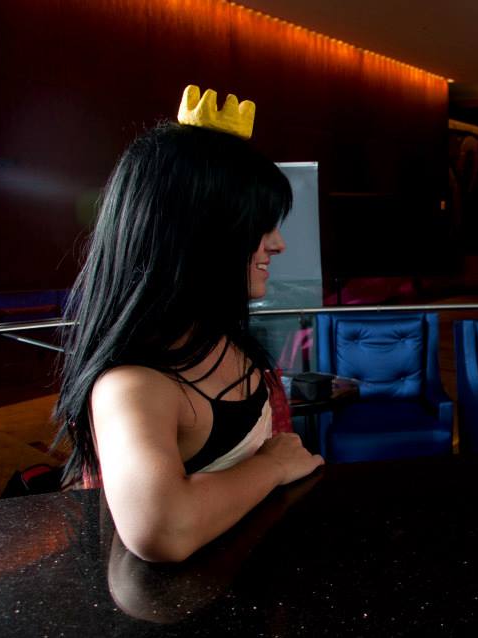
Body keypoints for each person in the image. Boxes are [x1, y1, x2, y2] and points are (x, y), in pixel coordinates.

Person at [54, 86, 324, 562]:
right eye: (259, 225)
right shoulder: (132, 385)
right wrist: (273, 466)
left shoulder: (224, 342)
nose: (278, 244)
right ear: (199, 234)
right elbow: (162, 531)